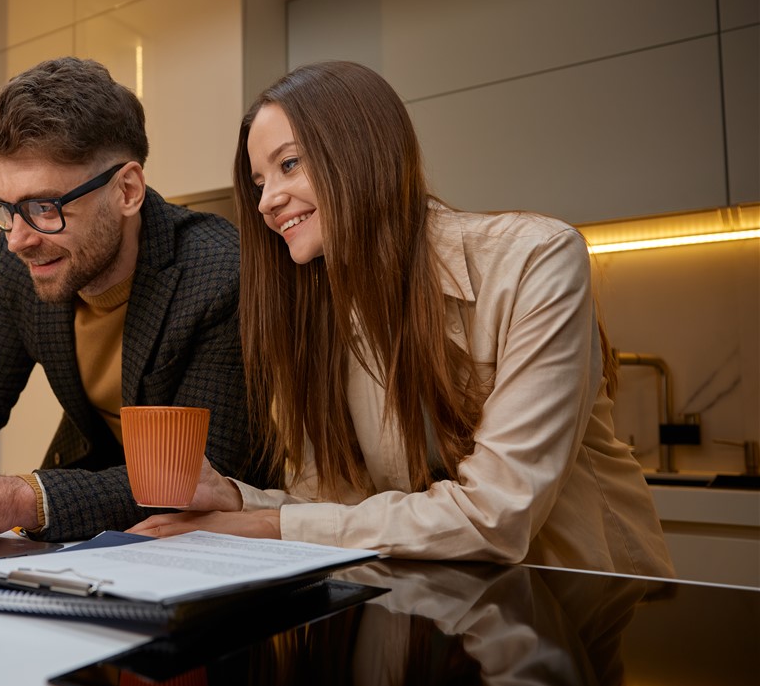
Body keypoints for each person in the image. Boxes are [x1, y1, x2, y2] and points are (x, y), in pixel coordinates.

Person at [131, 60, 674, 578]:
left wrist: (266, 523)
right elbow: (336, 510)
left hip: (580, 603)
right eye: (257, 182)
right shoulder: (324, 315)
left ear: (363, 152)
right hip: (448, 607)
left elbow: (497, 515)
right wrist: (234, 498)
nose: (266, 201)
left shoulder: (537, 258)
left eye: (288, 164)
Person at [0, 57, 267, 543]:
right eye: (5, 208)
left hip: (209, 532)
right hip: (87, 501)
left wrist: (20, 496)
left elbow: (199, 474)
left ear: (127, 190)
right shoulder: (23, 255)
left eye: (44, 207)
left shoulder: (219, 271)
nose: (18, 239)